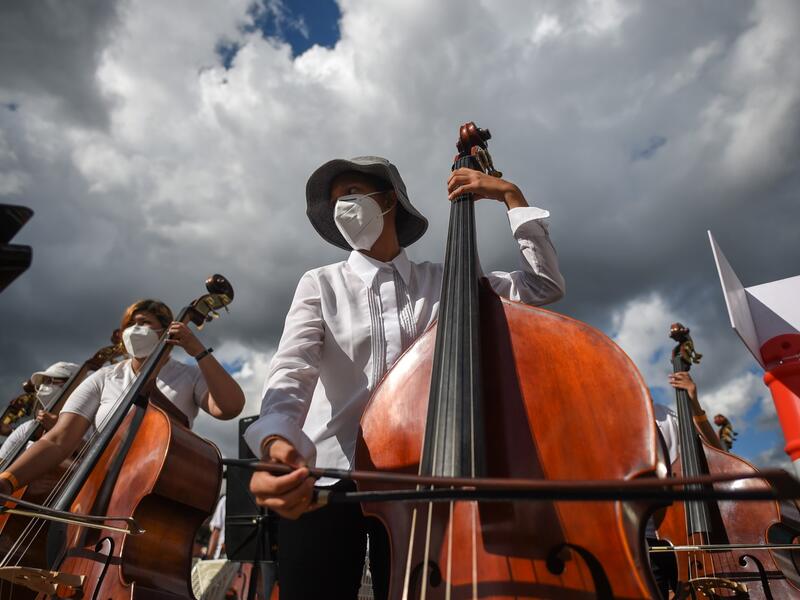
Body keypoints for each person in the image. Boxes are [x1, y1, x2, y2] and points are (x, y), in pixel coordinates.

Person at [246, 156, 566, 599]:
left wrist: (511, 197)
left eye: (352, 194)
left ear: (389, 199)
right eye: (335, 202)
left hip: (416, 484)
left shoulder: (448, 280)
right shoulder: (319, 283)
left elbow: (543, 286)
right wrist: (276, 443)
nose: (342, 208)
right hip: (326, 478)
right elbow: (291, 369)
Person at [0, 299, 245, 496]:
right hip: (97, 487)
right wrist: (9, 480)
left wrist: (197, 350)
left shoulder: (188, 375)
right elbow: (59, 439)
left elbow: (230, 407)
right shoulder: (105, 377)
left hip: (158, 489)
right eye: (130, 324)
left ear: (165, 330)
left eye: (144, 322)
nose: (133, 329)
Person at [648, 369, 725, 598]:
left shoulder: (670, 416)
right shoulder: (612, 419)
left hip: (688, 529)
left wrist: (694, 402)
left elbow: (717, 453)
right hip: (645, 533)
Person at [0, 361, 79, 467]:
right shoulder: (27, 428)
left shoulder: (92, 423)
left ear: (74, 383)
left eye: (49, 380)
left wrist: (60, 430)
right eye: (42, 382)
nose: (42, 387)